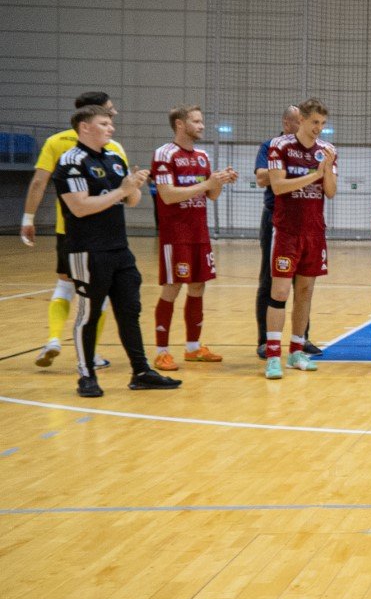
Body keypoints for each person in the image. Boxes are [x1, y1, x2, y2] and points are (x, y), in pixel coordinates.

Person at [52, 105, 180, 397]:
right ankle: (86, 375)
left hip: (119, 249)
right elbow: (80, 207)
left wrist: (134, 186)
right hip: (87, 250)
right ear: (85, 127)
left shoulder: (114, 158)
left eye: (111, 124)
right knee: (89, 313)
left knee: (129, 311)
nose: (111, 128)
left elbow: (130, 201)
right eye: (104, 123)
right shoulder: (71, 162)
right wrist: (122, 191)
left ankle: (141, 371)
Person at [21, 91, 128, 370]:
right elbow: (125, 191)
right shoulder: (113, 146)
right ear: (91, 116)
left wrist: (28, 217)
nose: (113, 116)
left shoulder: (55, 142)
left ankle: (54, 338)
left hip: (65, 228)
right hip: (100, 234)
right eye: (108, 112)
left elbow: (38, 182)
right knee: (98, 294)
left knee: (64, 284)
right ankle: (90, 356)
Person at [150, 105, 236, 371]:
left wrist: (220, 181)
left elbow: (210, 196)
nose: (201, 126)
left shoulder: (202, 155)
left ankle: (193, 348)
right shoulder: (165, 154)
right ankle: (162, 351)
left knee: (198, 287)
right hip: (176, 235)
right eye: (196, 122)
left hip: (200, 232)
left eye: (201, 122)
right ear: (179, 124)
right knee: (173, 287)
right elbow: (167, 195)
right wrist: (207, 184)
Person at [263, 98, 337, 380]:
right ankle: (272, 356)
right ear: (302, 120)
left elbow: (330, 192)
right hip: (286, 232)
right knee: (280, 293)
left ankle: (296, 351)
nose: (318, 128)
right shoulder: (280, 146)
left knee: (305, 293)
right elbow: (278, 186)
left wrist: (326, 171)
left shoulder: (327, 151)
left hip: (314, 232)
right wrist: (313, 175)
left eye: (322, 124)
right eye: (314, 122)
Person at [255, 106, 319, 358]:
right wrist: (292, 174)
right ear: (286, 122)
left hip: (305, 220)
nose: (303, 126)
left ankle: (301, 339)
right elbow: (262, 177)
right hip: (275, 218)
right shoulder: (272, 146)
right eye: (298, 121)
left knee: (304, 283)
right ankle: (264, 340)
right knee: (270, 281)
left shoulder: (314, 148)